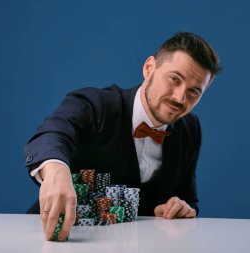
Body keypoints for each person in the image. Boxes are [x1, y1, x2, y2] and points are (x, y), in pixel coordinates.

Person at [24, 31, 221, 241]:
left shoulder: (190, 130)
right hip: (58, 239)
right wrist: (55, 169)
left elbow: (188, 200)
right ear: (149, 68)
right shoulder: (94, 105)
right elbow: (52, 134)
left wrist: (181, 208)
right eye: (174, 79)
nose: (179, 97)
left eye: (194, 92)